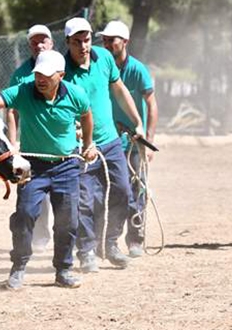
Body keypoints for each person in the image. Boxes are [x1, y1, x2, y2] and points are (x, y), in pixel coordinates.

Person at [0, 50, 96, 288]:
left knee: (68, 221)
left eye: (46, 75)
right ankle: (18, 267)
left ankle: (63, 270)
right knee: (24, 215)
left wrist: (88, 144)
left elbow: (86, 115)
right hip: (34, 168)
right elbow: (2, 98)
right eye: (38, 74)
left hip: (67, 166)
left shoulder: (76, 94)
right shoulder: (24, 90)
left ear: (60, 75)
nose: (40, 79)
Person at [62, 17, 145, 272]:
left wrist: (137, 122)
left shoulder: (104, 58)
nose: (83, 46)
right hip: (81, 147)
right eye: (77, 41)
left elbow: (119, 90)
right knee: (86, 200)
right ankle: (86, 250)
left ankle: (110, 244)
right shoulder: (61, 69)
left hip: (110, 142)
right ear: (67, 42)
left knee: (123, 190)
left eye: (86, 40)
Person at [97, 20, 159, 257]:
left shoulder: (137, 69)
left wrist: (149, 141)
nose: (107, 44)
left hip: (133, 141)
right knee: (107, 190)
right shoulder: (99, 67)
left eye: (112, 40)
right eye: (104, 40)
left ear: (125, 42)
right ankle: (106, 239)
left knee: (137, 189)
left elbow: (151, 104)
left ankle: (135, 238)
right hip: (107, 140)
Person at [8, 24, 56, 254]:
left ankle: (73, 240)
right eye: (34, 42)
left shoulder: (60, 66)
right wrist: (13, 143)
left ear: (51, 42)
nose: (39, 45)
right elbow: (12, 110)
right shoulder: (20, 75)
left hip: (61, 146)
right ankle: (38, 236)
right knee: (32, 196)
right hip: (30, 146)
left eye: (43, 40)